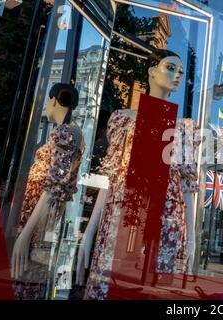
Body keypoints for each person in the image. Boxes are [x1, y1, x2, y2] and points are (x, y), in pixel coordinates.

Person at [76, 49, 201, 300]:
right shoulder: (124, 120)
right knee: (112, 286)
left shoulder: (185, 128)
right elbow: (112, 176)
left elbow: (187, 187)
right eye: (169, 68)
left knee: (151, 290)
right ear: (152, 72)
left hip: (167, 218)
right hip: (123, 214)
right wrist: (90, 231)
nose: (176, 75)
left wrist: (192, 238)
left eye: (180, 71)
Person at [11, 83, 83, 299]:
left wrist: (25, 234)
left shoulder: (65, 132)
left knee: (26, 278)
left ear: (53, 101)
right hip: (42, 218)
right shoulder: (72, 132)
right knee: (29, 278)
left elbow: (54, 187)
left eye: (47, 102)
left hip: (38, 220)